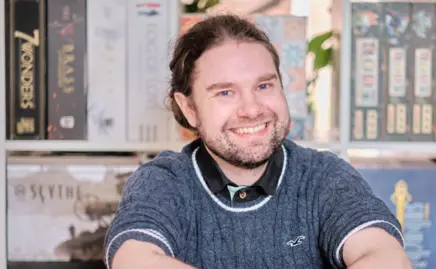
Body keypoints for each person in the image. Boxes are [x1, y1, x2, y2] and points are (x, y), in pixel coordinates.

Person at [103, 14, 411, 269]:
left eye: (264, 85)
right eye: (225, 92)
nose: (252, 110)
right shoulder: (164, 182)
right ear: (189, 108)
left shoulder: (324, 176)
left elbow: (384, 255)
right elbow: (133, 257)